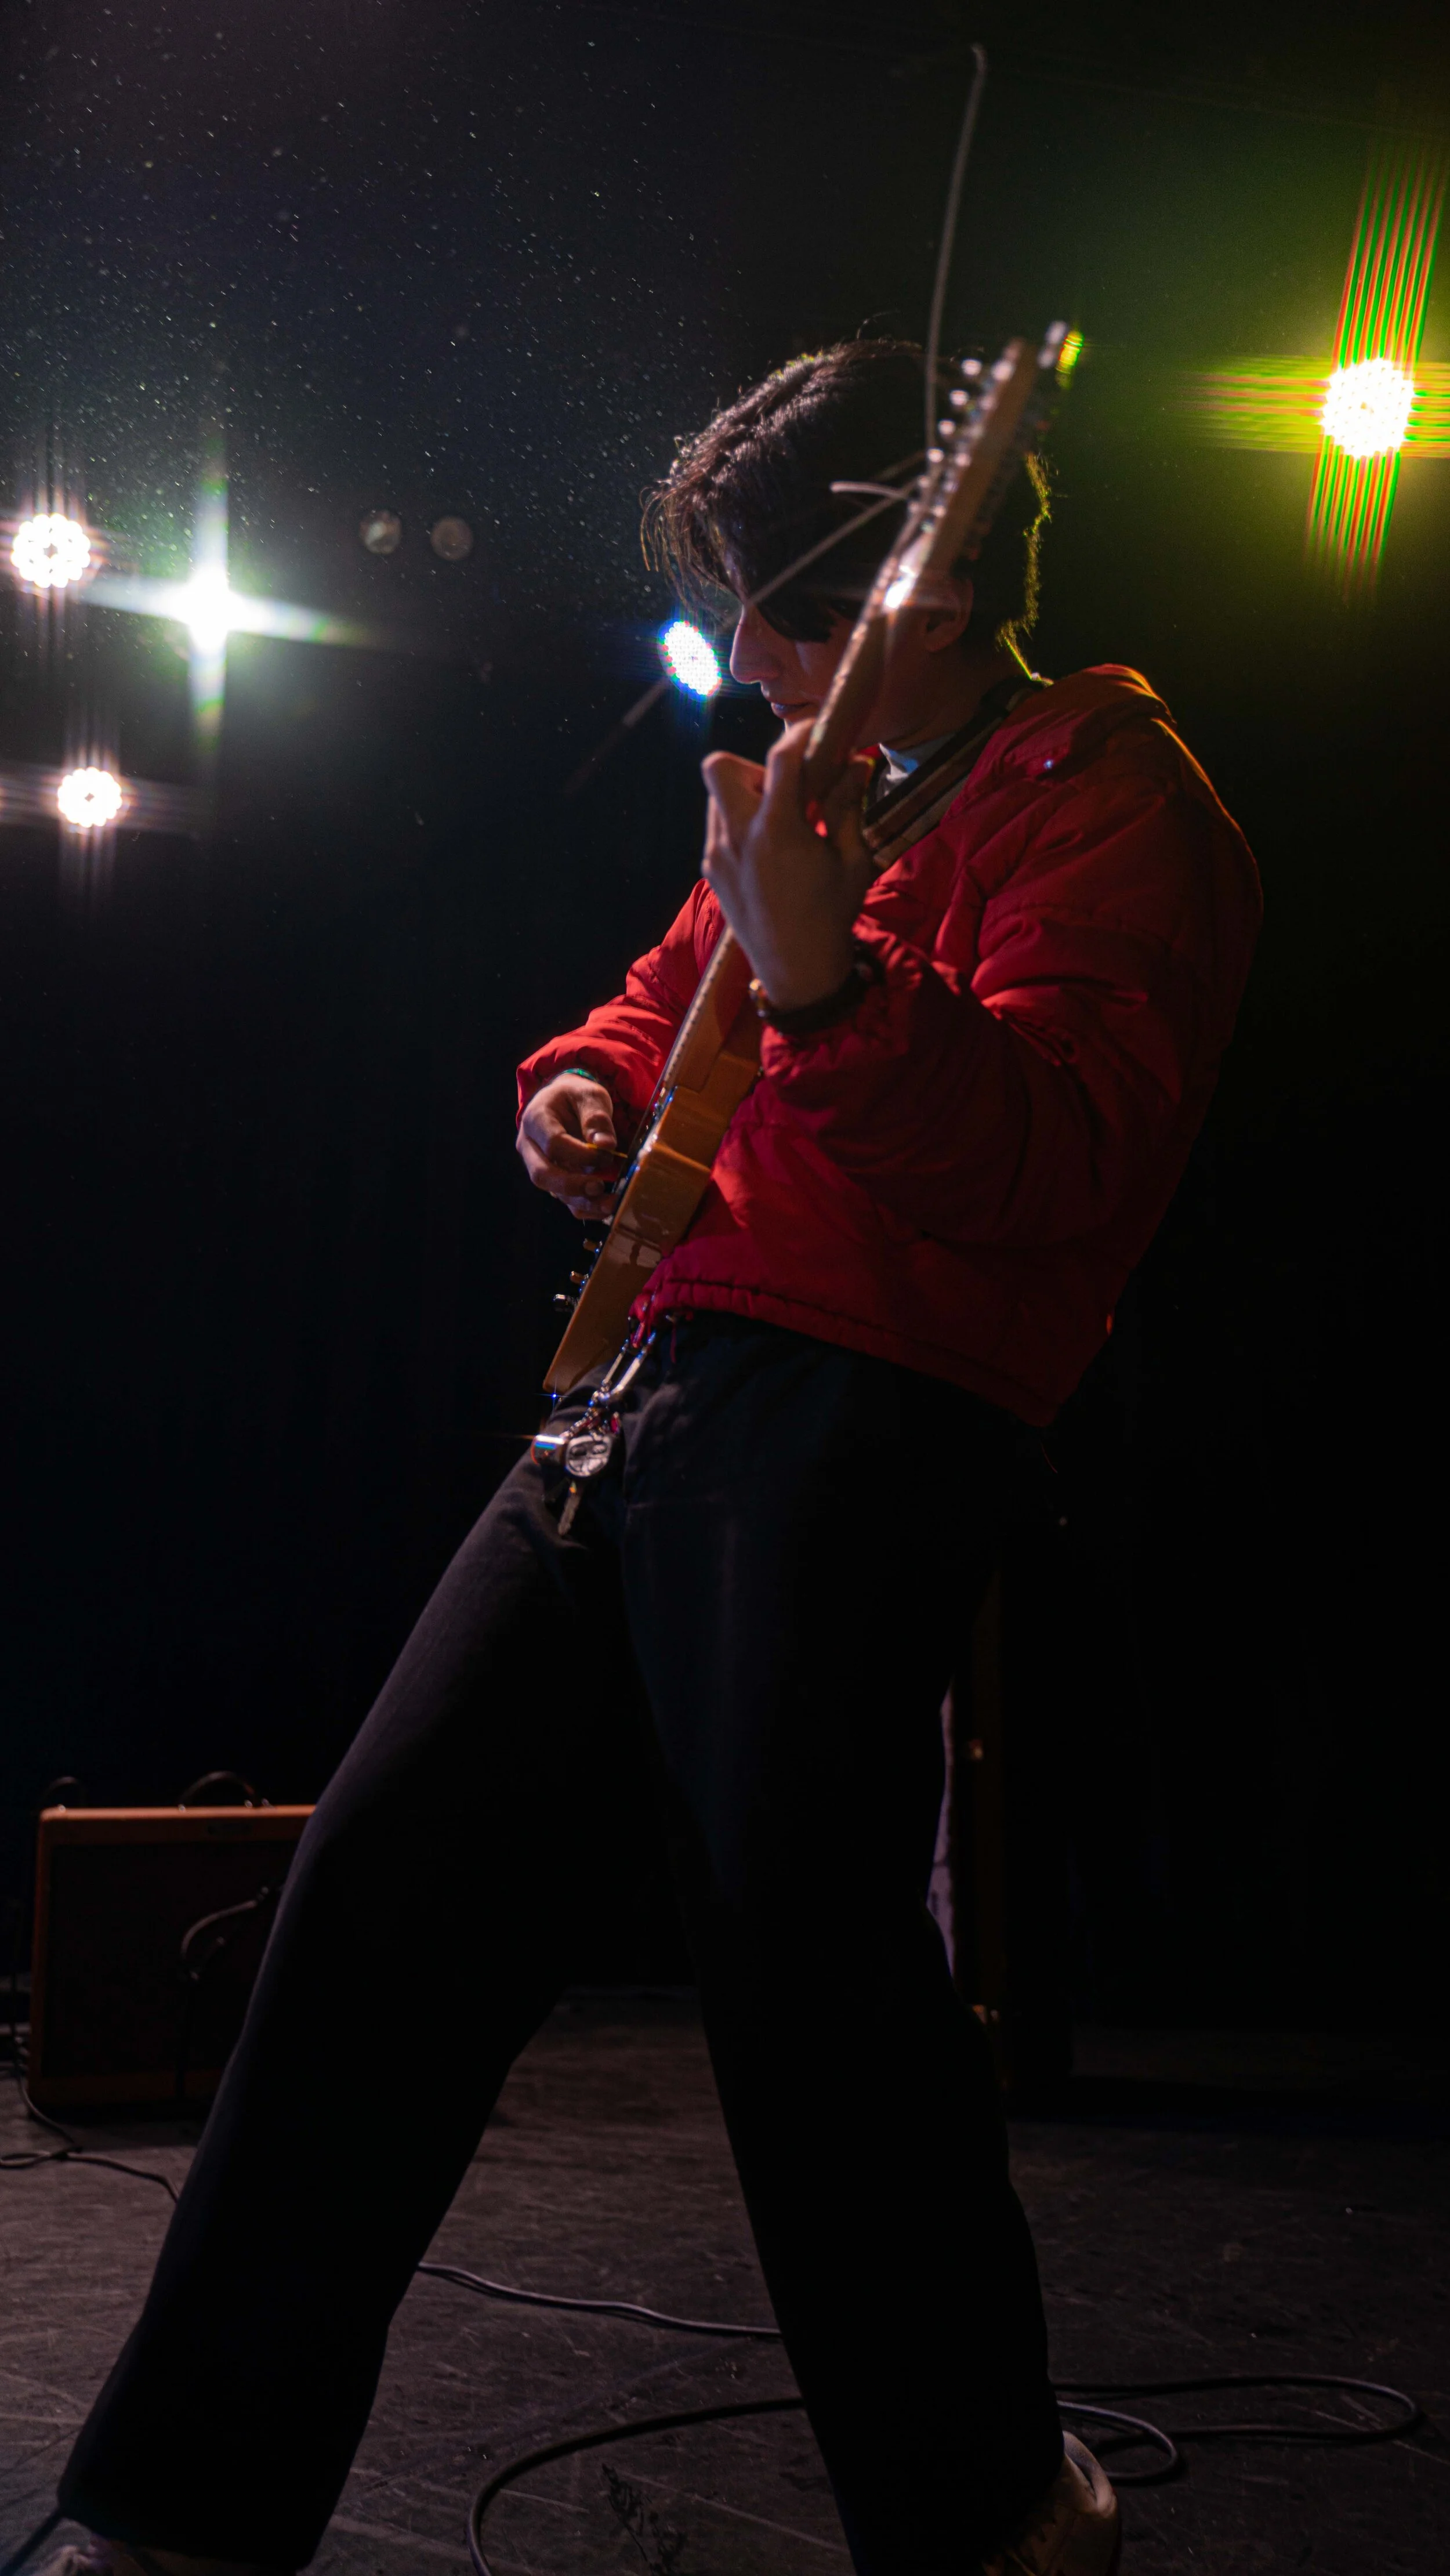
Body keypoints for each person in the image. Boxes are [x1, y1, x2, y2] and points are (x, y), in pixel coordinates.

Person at [46, 339, 1260, 2576]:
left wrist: (834, 1000)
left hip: (864, 1423)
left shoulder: (1108, 792)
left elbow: (1060, 1163)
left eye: (766, 613)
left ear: (917, 586)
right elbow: (653, 995)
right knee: (375, 1905)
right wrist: (580, 1090)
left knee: (806, 1985)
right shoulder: (819, 788)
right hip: (639, 1402)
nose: (753, 660)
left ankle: (989, 2518)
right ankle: (167, 2521)